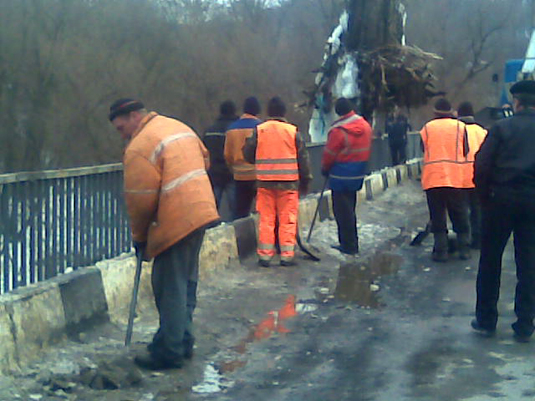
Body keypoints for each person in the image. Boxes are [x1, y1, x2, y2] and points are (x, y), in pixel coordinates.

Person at [109, 98, 219, 369]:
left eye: (122, 127)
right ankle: (182, 339)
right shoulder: (176, 126)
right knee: (185, 281)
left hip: (176, 219)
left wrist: (140, 237)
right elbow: (205, 159)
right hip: (202, 210)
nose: (122, 134)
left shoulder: (140, 146)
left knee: (168, 286)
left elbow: (140, 200)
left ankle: (169, 351)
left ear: (134, 116)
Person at [471, 80, 535, 342]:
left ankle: (486, 319)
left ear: (516, 103)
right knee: (529, 264)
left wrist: (484, 198)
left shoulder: (501, 128)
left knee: (490, 260)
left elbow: (482, 165)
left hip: (500, 200)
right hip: (533, 202)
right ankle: (524, 323)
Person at [243, 97, 312, 267]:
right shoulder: (292, 131)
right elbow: (303, 159)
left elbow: (248, 154)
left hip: (265, 182)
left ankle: (265, 255)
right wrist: (306, 179)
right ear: (284, 112)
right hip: (288, 183)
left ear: (268, 112)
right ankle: (287, 255)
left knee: (266, 218)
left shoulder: (259, 130)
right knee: (287, 218)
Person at [420, 98, 472, 262]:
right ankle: (464, 249)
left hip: (432, 178)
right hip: (455, 177)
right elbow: (466, 150)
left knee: (437, 215)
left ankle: (440, 251)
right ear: (451, 112)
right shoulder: (461, 127)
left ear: (435, 112)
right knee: (459, 212)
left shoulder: (427, 128)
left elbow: (424, 149)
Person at [321, 98, 372, 255]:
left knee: (342, 212)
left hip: (340, 175)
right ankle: (352, 242)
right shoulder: (365, 126)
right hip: (357, 174)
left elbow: (329, 154)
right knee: (350, 208)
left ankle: (348, 245)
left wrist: (324, 169)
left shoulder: (338, 131)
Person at [224, 97, 262, 219]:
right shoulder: (261, 127)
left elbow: (227, 155)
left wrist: (233, 169)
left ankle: (242, 236)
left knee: (240, 213)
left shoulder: (231, 129)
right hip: (258, 175)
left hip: (239, 176)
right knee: (264, 210)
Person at [457, 101, 488, 249]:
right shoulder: (482, 131)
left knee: (461, 210)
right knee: (477, 209)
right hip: (478, 176)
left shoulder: (457, 130)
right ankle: (478, 239)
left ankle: (463, 239)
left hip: (460, 177)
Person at [202, 100, 239, 212]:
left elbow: (204, 151)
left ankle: (210, 227)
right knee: (235, 209)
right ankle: (237, 228)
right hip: (232, 172)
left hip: (214, 172)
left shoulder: (209, 131)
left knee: (212, 207)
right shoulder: (236, 130)